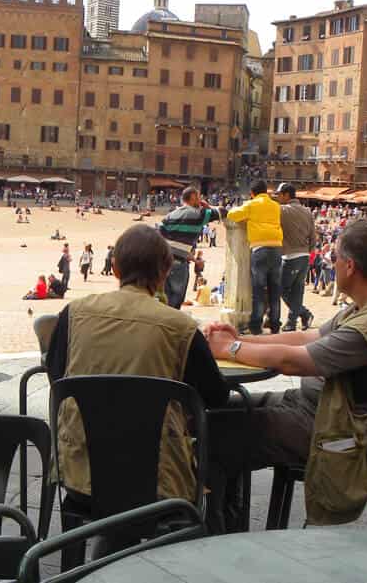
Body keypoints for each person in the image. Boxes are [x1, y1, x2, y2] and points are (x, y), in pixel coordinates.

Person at [205, 217, 367, 528]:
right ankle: (229, 524)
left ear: (349, 266)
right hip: (315, 408)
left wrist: (229, 349)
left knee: (211, 434)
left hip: (332, 430)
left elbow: (295, 361)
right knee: (218, 411)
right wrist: (240, 338)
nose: (332, 264)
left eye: (335, 258)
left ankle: (216, 533)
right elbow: (310, 337)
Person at [45, 224, 230, 533]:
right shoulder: (181, 327)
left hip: (80, 474)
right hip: (160, 485)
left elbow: (58, 378)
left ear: (114, 266)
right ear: (166, 270)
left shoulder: (73, 314)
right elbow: (216, 397)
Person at [226, 179, 283, 334]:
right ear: (266, 191)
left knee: (258, 290)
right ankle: (275, 324)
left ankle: (256, 325)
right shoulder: (276, 206)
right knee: (274, 290)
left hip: (260, 248)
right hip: (277, 248)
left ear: (252, 193)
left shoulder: (252, 205)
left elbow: (233, 215)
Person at [158, 186, 222, 309]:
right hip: (179, 266)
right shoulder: (199, 214)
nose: (200, 199)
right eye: (198, 197)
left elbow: (164, 241)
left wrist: (193, 259)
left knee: (164, 301)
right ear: (193, 198)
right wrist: (207, 206)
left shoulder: (170, 216)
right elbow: (221, 212)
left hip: (163, 263)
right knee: (176, 301)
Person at [276, 183, 317, 332]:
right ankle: (294, 321)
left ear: (286, 195)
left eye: (279, 194)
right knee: (297, 291)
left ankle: (303, 315)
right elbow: (313, 235)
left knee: (281, 289)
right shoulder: (307, 211)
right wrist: (310, 251)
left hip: (291, 256)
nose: (278, 197)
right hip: (305, 255)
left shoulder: (282, 210)